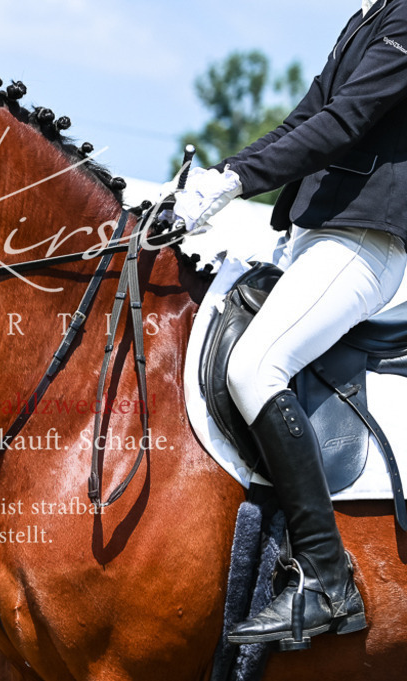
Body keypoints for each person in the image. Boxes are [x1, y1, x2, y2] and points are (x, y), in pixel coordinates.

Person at [169, 0, 407, 648]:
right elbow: (305, 117)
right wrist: (221, 178)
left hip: (364, 240)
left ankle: (330, 580)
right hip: (313, 233)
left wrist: (239, 179)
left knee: (254, 366)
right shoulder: (369, 16)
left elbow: (344, 121)